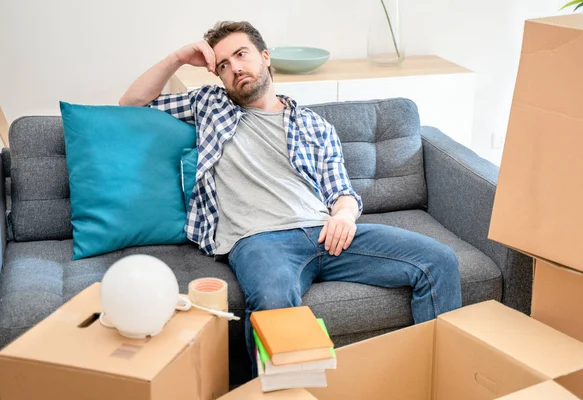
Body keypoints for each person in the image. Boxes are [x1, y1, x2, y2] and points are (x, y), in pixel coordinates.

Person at [120, 20, 462, 377]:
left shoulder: (315, 125)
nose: (235, 68)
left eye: (241, 55)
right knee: (273, 302)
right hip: (260, 241)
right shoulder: (209, 105)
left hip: (325, 230)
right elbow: (131, 103)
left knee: (438, 260)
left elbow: (341, 190)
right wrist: (177, 57)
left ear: (265, 58)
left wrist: (344, 215)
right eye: (223, 65)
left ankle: (440, 382)